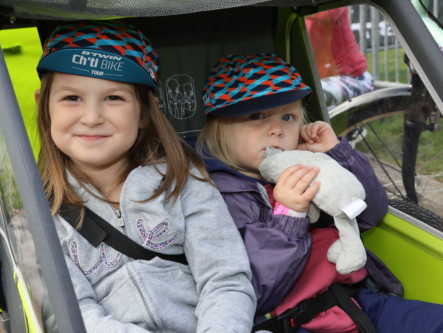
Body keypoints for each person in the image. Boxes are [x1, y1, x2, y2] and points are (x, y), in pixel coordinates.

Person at [192, 53, 443, 333]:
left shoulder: (307, 164)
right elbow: (250, 293)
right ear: (218, 127)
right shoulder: (217, 197)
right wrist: (289, 217)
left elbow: (371, 214)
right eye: (257, 116)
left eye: (288, 117)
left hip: (356, 302)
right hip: (291, 321)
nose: (276, 129)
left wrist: (336, 154)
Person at [35, 21, 256, 332]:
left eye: (114, 98)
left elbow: (225, 279)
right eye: (72, 98)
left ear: (144, 113)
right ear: (44, 107)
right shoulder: (40, 213)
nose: (92, 117)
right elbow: (71, 313)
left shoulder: (183, 180)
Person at [305, 7, 373, 147]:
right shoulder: (304, 19)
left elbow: (328, 13)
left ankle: (344, 138)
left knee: (314, 95)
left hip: (355, 78)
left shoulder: (329, 8)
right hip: (326, 80)